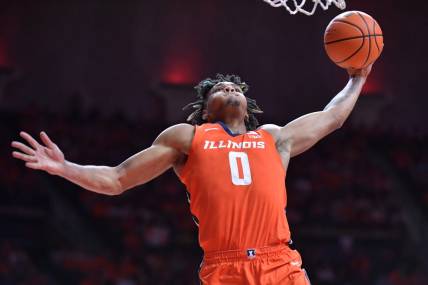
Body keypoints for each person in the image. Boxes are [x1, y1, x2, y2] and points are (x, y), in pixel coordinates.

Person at [12, 65, 372, 284]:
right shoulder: (188, 137)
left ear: (248, 107)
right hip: (224, 269)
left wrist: (358, 78)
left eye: (235, 88)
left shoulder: (274, 138)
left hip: (279, 264)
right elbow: (118, 178)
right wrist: (64, 168)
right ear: (204, 109)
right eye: (220, 88)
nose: (230, 89)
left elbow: (332, 116)